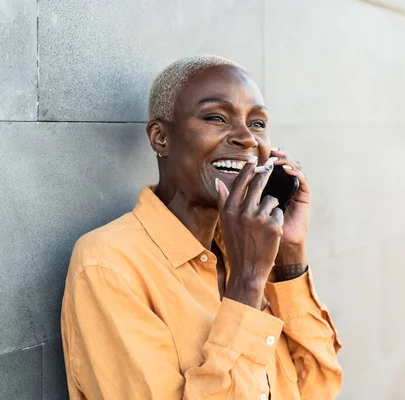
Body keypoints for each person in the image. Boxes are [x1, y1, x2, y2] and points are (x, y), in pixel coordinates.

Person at [60, 55, 342, 399]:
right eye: (215, 117)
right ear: (161, 138)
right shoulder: (109, 264)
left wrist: (290, 255)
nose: (247, 138)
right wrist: (247, 284)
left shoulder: (253, 246)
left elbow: (317, 388)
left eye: (257, 123)